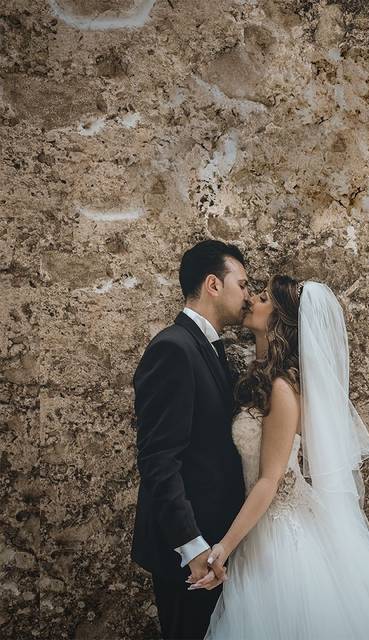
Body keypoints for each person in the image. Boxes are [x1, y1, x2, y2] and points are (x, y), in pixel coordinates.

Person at [192, 276, 369, 640]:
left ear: (280, 320)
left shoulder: (282, 388)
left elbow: (271, 479)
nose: (250, 299)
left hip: (279, 536)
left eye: (262, 298)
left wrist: (223, 548)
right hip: (259, 529)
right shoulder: (263, 379)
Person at [131, 239, 251, 639]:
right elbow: (159, 459)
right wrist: (192, 546)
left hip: (216, 542)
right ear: (213, 284)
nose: (248, 295)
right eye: (243, 283)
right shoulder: (173, 348)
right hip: (189, 554)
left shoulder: (210, 348)